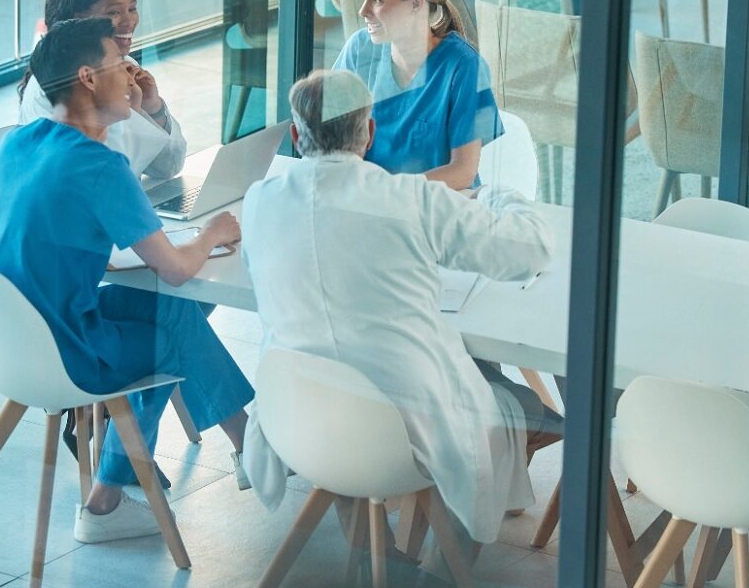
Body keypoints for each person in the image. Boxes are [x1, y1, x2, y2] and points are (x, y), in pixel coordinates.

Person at [240, 69, 561, 544]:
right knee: (511, 404)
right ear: (369, 132)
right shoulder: (409, 199)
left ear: (295, 134)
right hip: (400, 435)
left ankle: (380, 552)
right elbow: (527, 251)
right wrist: (494, 192)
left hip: (302, 426)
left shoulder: (259, 201)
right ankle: (443, 571)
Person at [0, 17, 254, 543]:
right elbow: (173, 270)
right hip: (63, 353)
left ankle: (235, 452)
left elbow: (52, 239)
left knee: (170, 317)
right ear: (87, 77)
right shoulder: (100, 165)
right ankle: (242, 449)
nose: (131, 76)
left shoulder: (17, 143)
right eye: (119, 66)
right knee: (170, 329)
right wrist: (211, 232)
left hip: (7, 340)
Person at [333, 0, 501, 189]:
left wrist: (388, 191)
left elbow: (463, 172)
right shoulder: (359, 50)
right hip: (371, 204)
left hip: (437, 208)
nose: (363, 11)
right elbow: (331, 139)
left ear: (415, 3)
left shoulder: (463, 65)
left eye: (377, 0)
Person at [19, 0, 187, 179]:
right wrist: (134, 112)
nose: (129, 21)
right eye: (114, 13)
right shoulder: (60, 86)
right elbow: (108, 175)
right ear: (78, 21)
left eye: (132, 8)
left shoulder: (121, 67)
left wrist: (152, 108)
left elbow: (169, 166)